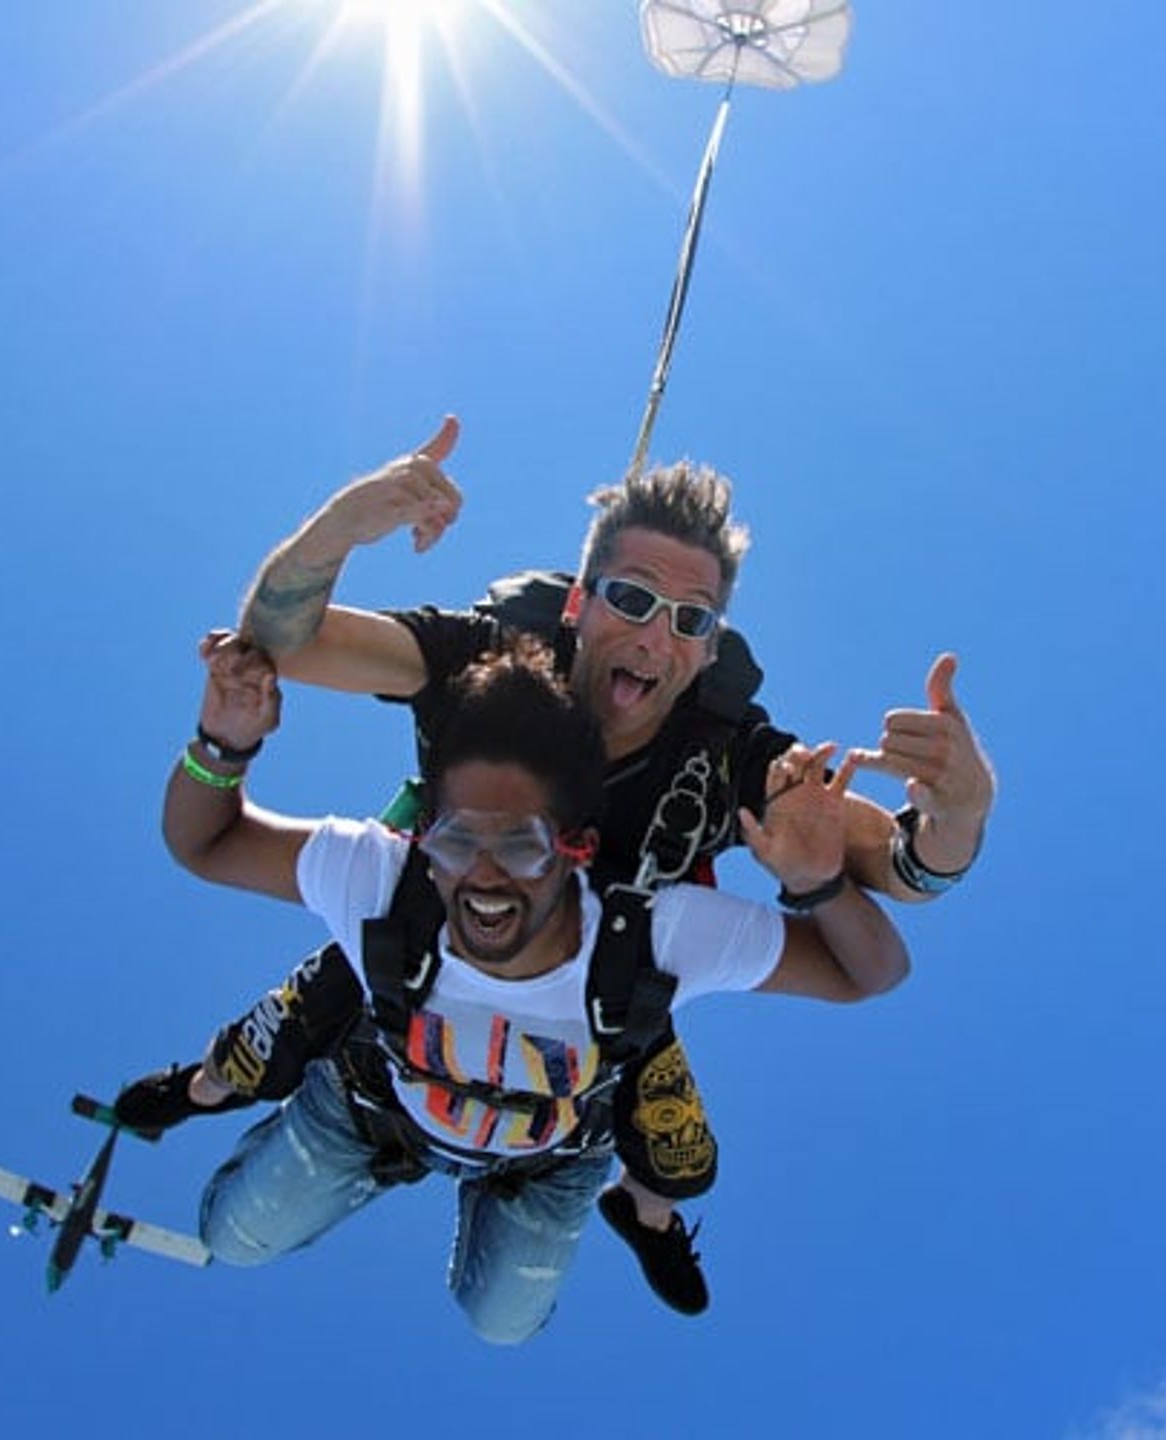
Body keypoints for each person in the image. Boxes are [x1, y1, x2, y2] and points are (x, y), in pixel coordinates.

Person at [118, 416, 995, 1314]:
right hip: (437, 937)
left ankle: (640, 1207)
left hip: (602, 985)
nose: (654, 638)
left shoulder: (727, 763)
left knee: (660, 1141)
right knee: (308, 1025)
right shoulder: (485, 667)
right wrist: (341, 527)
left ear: (708, 648)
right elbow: (283, 640)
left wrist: (955, 813)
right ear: (578, 602)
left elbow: (898, 866)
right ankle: (215, 1084)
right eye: (632, 599)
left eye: (691, 620)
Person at [165, 634, 910, 1345]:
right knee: (234, 1236)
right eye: (458, 842)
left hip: (553, 1152)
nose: (484, 875)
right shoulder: (381, 876)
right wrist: (222, 744)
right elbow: (206, 843)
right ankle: (213, 1082)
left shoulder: (656, 930)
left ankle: (646, 1210)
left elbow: (871, 971)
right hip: (378, 1106)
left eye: (520, 846)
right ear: (426, 841)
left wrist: (819, 884)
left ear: (576, 850)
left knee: (505, 1321)